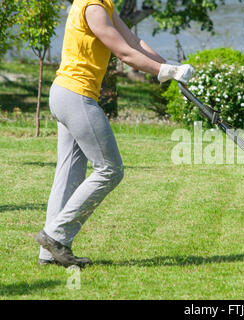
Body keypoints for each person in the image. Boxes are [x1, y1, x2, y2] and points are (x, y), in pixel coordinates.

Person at [35, 0, 194, 267]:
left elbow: (134, 41)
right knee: (110, 169)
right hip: (76, 95)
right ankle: (55, 236)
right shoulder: (93, 7)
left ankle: (49, 254)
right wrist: (161, 71)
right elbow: (124, 54)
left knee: (68, 173)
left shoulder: (103, 4)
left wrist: (169, 67)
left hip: (65, 93)